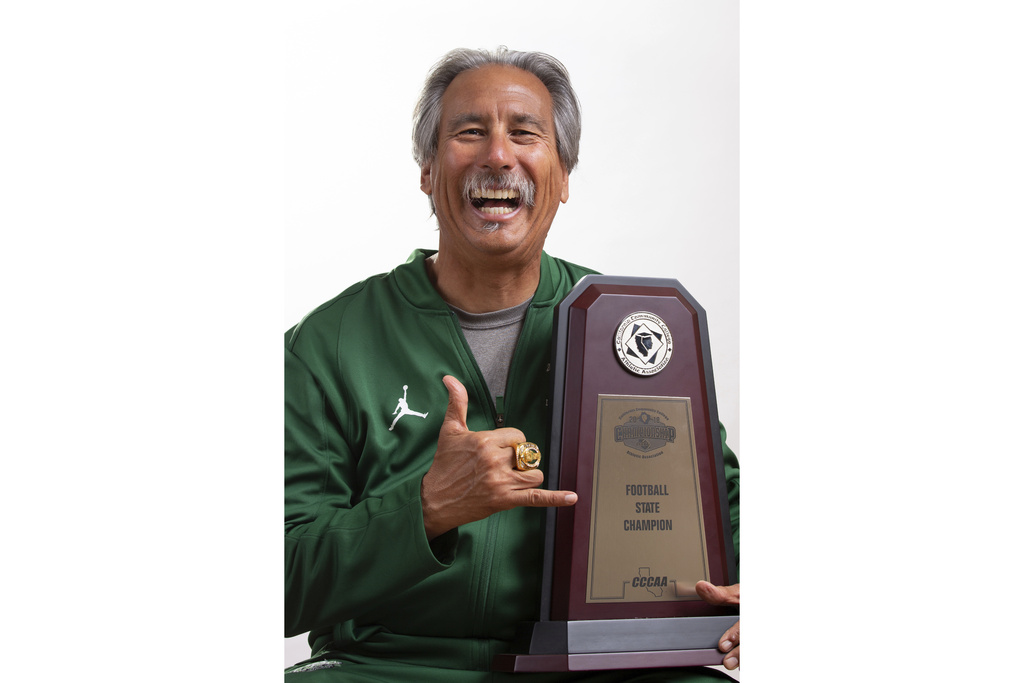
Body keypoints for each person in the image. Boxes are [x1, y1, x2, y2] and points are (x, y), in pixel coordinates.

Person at [285, 47, 740, 682]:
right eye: (469, 131)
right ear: (426, 170)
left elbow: (726, 522)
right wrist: (424, 509)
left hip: (609, 667)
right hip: (390, 666)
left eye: (525, 133)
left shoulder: (640, 326)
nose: (498, 155)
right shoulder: (332, 342)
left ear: (563, 173)